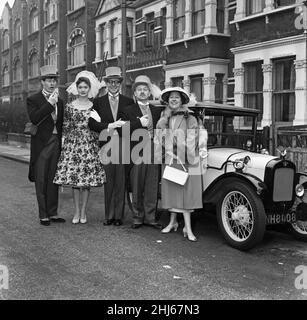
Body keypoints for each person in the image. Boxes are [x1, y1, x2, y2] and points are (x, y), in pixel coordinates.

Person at [154, 87, 208, 242]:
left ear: (182, 100)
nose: (174, 100)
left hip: (185, 160)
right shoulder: (165, 117)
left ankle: (188, 228)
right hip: (171, 159)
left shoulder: (189, 117)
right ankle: (172, 222)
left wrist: (178, 147)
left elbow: (193, 138)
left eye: (177, 97)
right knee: (173, 191)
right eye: (171, 97)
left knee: (185, 194)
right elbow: (160, 137)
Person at [53, 71, 106, 224]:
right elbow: (66, 126)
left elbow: (98, 126)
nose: (83, 90)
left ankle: (84, 212)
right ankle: (76, 211)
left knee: (87, 181)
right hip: (74, 146)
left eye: (85, 87)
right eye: (80, 87)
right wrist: (66, 144)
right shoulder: (69, 106)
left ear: (89, 89)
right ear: (77, 88)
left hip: (89, 145)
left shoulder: (94, 106)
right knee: (75, 182)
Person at [88, 67, 134, 227]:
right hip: (106, 145)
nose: (113, 84)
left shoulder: (128, 102)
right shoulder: (98, 102)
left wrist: (120, 128)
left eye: (116, 82)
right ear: (106, 83)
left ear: (120, 84)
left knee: (121, 181)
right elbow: (92, 124)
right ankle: (109, 215)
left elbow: (131, 125)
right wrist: (109, 126)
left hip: (122, 145)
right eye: (110, 82)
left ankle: (119, 217)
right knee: (109, 181)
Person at [119, 75, 163, 230]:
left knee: (152, 184)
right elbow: (121, 130)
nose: (143, 92)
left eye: (145, 89)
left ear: (149, 93)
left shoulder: (157, 111)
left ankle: (150, 217)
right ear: (135, 93)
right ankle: (137, 217)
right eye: (139, 90)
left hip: (153, 148)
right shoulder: (127, 110)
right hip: (136, 150)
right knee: (136, 183)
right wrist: (138, 123)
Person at [26, 65, 65, 226]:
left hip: (56, 143)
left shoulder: (60, 102)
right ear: (42, 82)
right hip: (42, 145)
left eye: (54, 80)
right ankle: (44, 215)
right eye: (48, 80)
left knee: (53, 179)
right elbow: (35, 118)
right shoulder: (33, 99)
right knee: (41, 180)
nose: (51, 83)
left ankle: (53, 212)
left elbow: (62, 124)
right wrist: (49, 103)